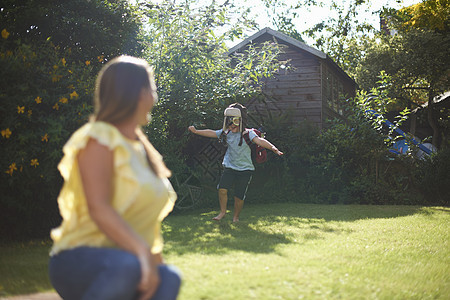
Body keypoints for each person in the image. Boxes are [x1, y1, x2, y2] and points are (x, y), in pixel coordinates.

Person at [48, 56, 181, 300]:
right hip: (78, 260)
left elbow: (146, 226)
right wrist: (141, 255)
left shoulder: (142, 150)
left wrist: (153, 265)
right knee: (128, 266)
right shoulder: (99, 137)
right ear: (140, 94)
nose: (155, 97)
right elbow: (98, 207)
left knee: (169, 278)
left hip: (128, 261)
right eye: (153, 88)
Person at [188, 103, 283, 222]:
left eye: (233, 123)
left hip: (245, 169)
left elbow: (259, 141)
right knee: (222, 189)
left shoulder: (248, 133)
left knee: (239, 196)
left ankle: (235, 217)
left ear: (239, 121)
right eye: (229, 124)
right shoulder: (226, 133)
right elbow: (212, 132)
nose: (231, 127)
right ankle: (222, 212)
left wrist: (273, 148)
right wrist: (196, 131)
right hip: (230, 166)